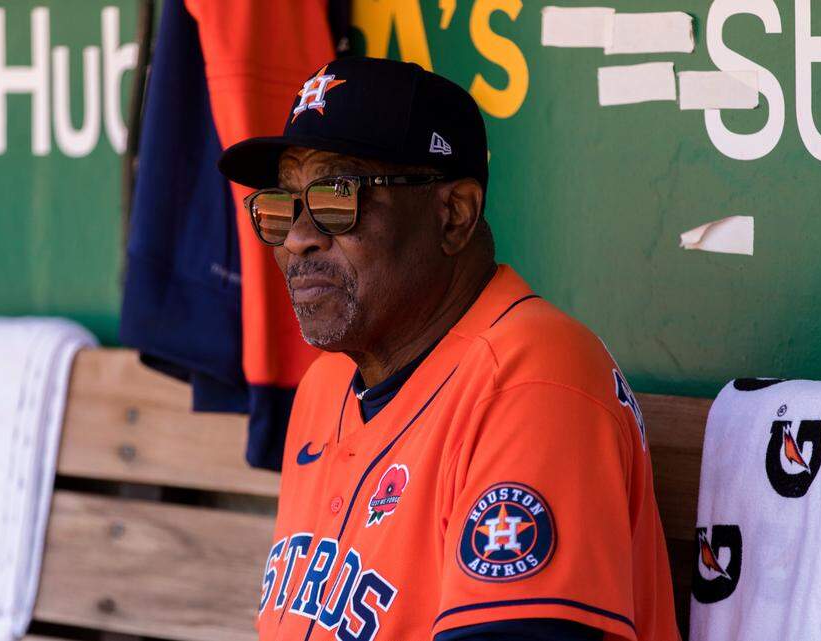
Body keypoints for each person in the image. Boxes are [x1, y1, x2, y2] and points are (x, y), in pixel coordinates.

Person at [218, 56, 680, 641]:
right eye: (283, 206)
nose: (301, 237)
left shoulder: (532, 382)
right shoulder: (325, 387)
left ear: (454, 215)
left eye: (338, 197)